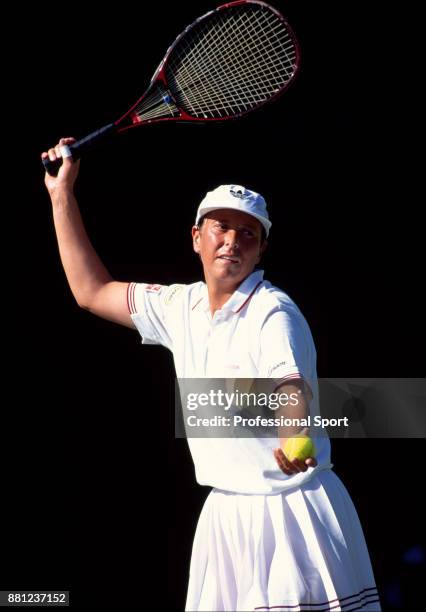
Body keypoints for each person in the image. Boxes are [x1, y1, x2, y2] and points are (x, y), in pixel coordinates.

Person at [42, 138, 381, 611]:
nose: (233, 241)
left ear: (260, 250)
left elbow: (290, 385)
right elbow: (91, 290)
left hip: (291, 514)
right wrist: (62, 196)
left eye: (248, 234)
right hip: (225, 517)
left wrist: (294, 433)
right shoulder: (179, 306)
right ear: (196, 237)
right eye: (221, 226)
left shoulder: (273, 311)